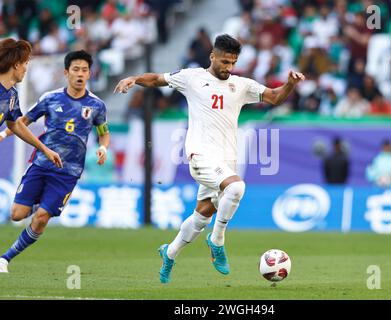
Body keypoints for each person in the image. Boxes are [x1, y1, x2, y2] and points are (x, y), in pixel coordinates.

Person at [114, 34, 305, 284]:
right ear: (212, 56)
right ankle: (217, 241)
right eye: (224, 61)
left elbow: (274, 97)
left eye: (233, 62)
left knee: (202, 216)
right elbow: (157, 79)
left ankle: (169, 253)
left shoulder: (241, 85)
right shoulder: (192, 78)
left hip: (226, 161)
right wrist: (134, 78)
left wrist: (290, 84)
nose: (228, 67)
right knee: (236, 187)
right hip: (200, 155)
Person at [0, 50, 110, 273]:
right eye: (76, 69)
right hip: (41, 164)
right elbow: (22, 122)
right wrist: (3, 134)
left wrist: (102, 147)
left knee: (41, 218)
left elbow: (103, 132)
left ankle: (5, 258)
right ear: (66, 72)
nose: (80, 74)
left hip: (68, 173)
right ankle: (42, 202)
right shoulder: (50, 98)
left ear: (89, 74)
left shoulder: (97, 105)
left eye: (85, 70)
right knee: (17, 215)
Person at [0, 37, 62, 168]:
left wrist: (45, 149)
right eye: (26, 63)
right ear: (16, 64)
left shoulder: (11, 95)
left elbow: (15, 124)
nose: (26, 69)